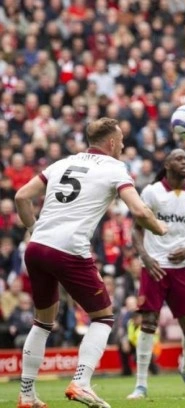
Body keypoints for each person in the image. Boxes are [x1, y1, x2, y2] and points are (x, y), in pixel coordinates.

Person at [14, 118, 167, 408]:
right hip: (69, 249)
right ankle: (81, 383)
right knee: (103, 317)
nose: (123, 144)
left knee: (42, 322)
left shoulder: (62, 163)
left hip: (37, 248)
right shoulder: (114, 168)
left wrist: (34, 229)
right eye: (121, 140)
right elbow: (139, 211)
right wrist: (160, 228)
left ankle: (27, 394)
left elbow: (22, 196)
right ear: (111, 142)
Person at [127, 149, 185, 399]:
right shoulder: (152, 192)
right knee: (148, 323)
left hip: (183, 269)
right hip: (155, 267)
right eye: (179, 159)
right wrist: (145, 258)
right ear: (167, 164)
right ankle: (141, 384)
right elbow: (136, 229)